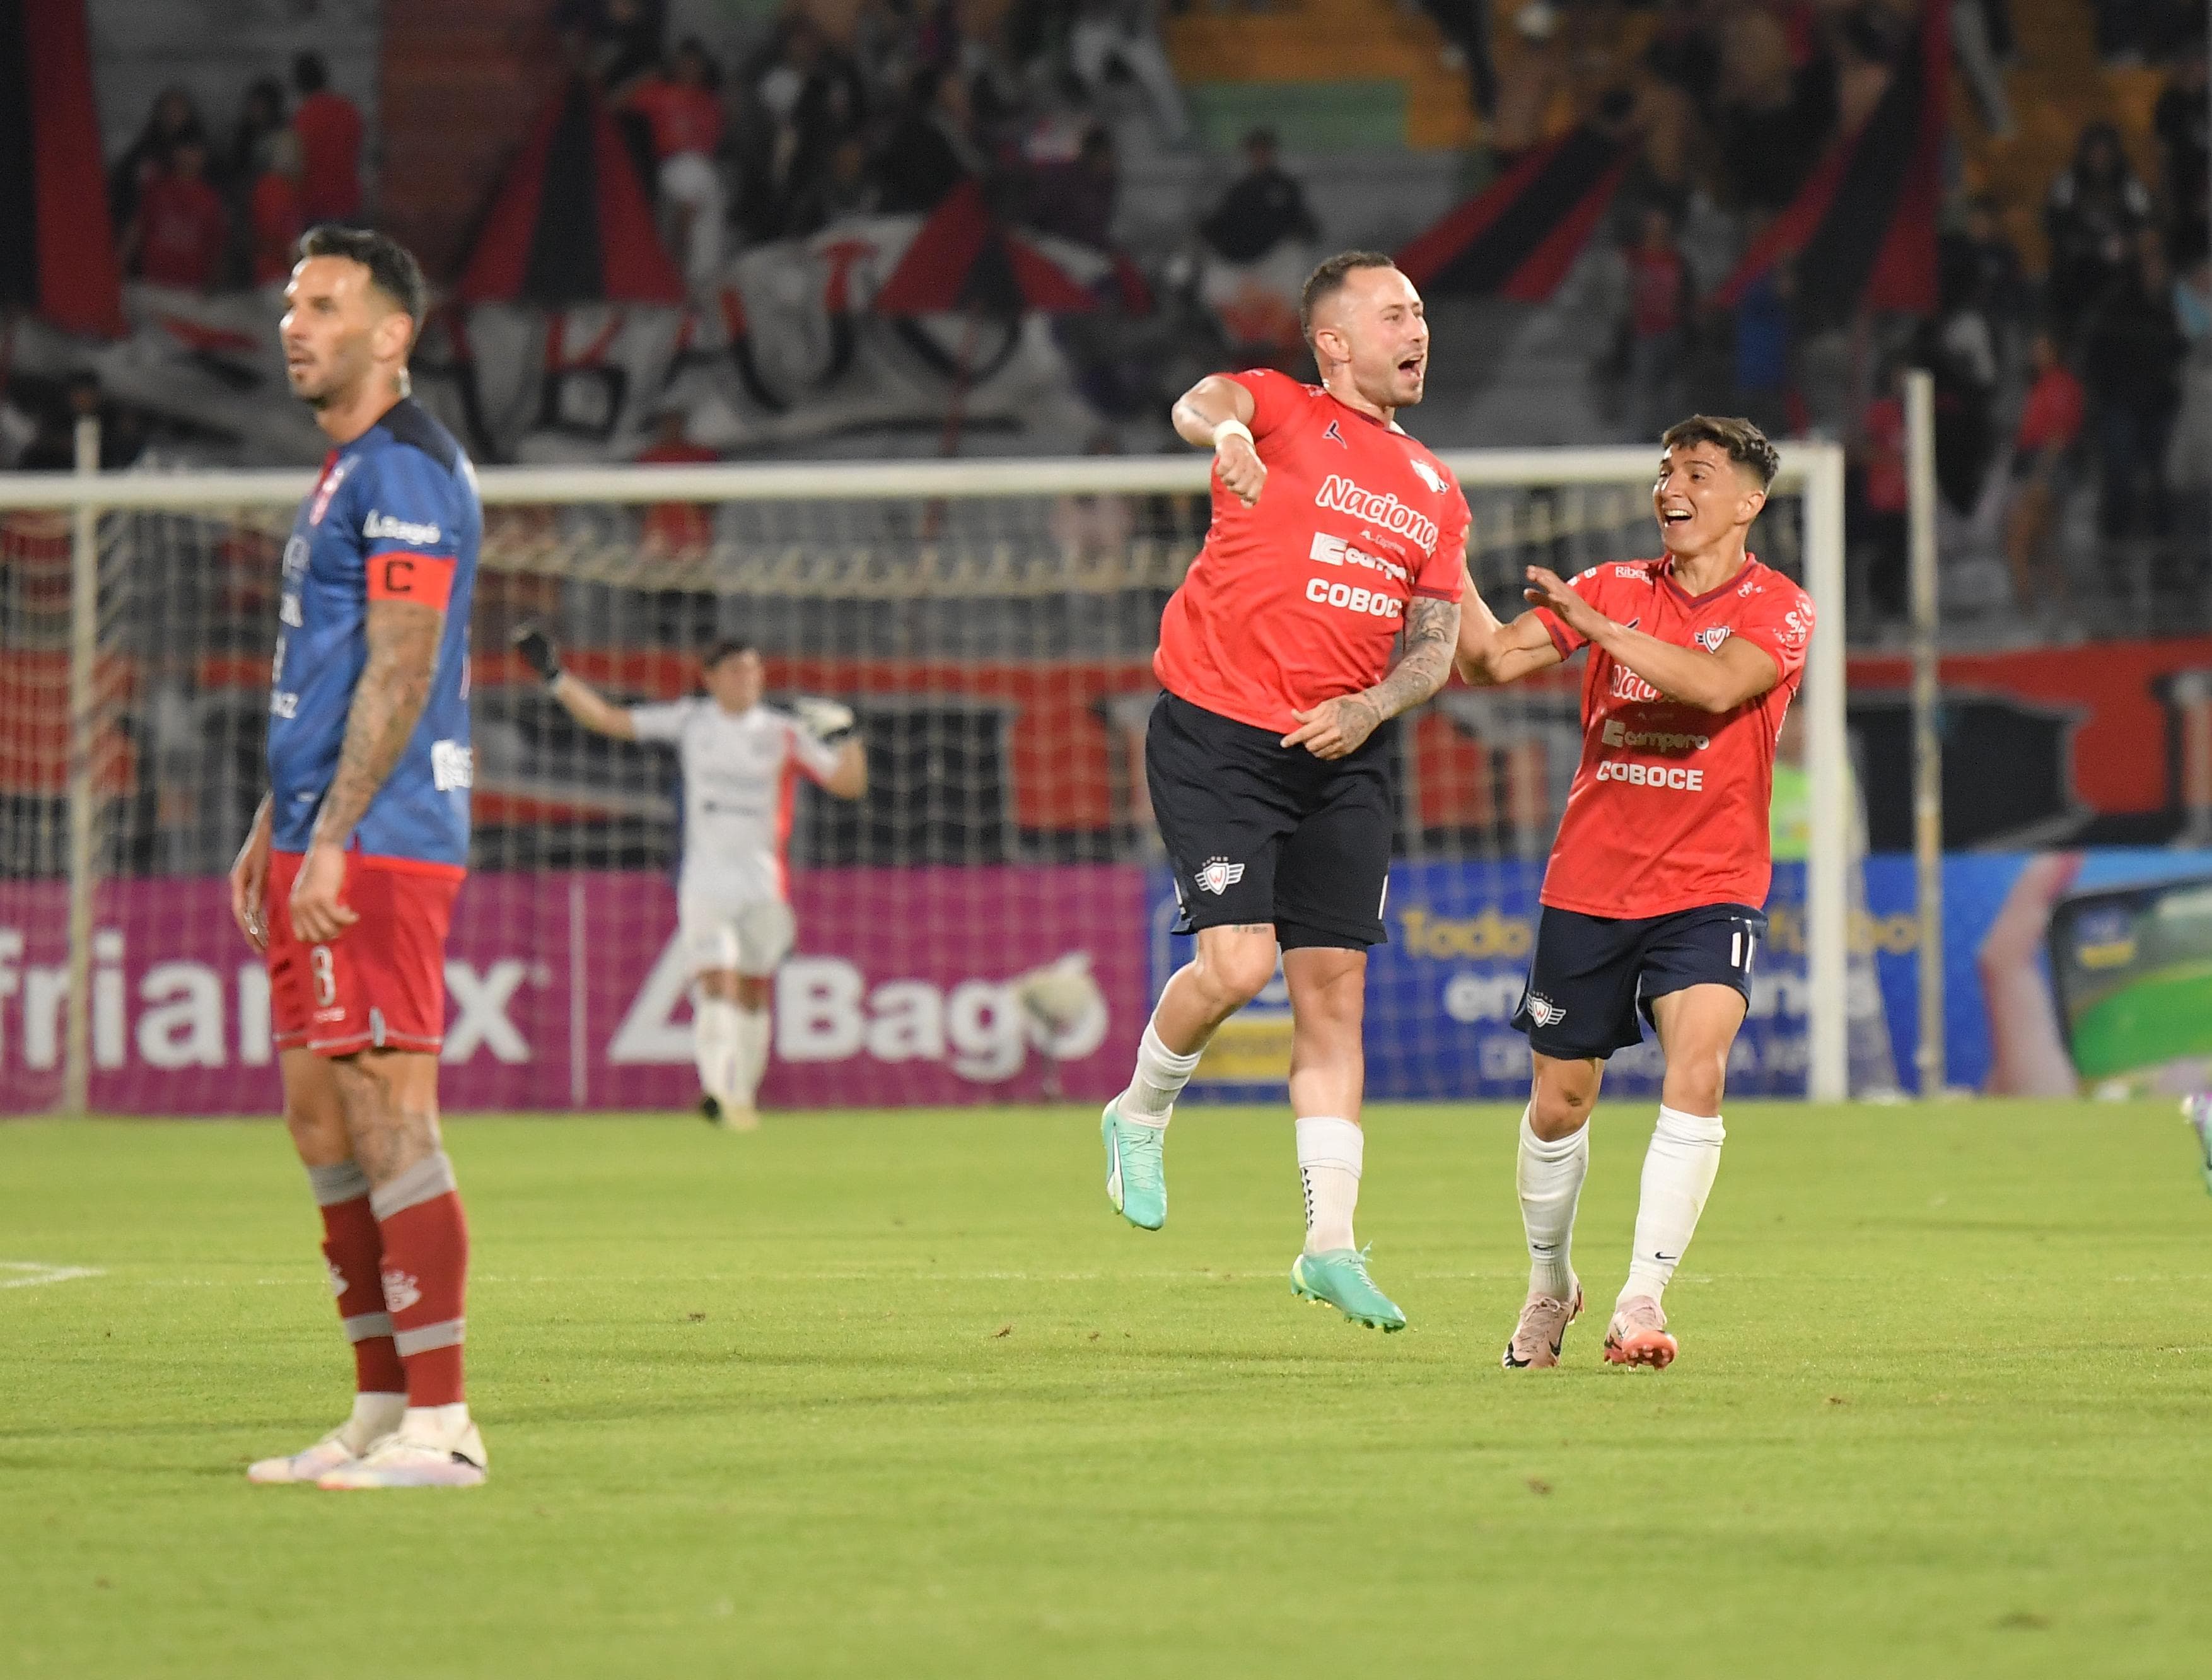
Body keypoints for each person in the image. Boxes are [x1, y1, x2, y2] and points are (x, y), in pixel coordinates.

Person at [1097, 252, 1466, 1332]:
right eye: (1395, 312)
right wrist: (1223, 437)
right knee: (1238, 962)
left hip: (1342, 750)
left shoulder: (1436, 489)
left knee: (1334, 990)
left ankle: (1328, 1243)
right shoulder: (1276, 409)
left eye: (1422, 312)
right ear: (1334, 340)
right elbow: (1198, 397)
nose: (1418, 329)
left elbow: (1435, 640)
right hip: (1218, 732)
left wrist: (1373, 705)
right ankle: (1138, 1108)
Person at [1453, 414, 1813, 1371]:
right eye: (1665, 471)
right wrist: (1436, 559)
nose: (1672, 488)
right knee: (1562, 1102)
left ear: (1749, 500)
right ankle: (1549, 1288)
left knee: (1699, 1070)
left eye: (1697, 471)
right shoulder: (1612, 587)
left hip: (1711, 887)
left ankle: (1641, 1298)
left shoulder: (1780, 607)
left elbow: (1708, 685)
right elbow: (1489, 660)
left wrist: (1599, 630)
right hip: (1593, 884)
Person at [227, 227, 488, 1487]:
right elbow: (325, 676)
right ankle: (379, 1407)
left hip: (382, 840)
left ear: (393, 333)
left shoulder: (407, 471)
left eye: (324, 305)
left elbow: (402, 662)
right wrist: (274, 825)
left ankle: (444, 1425)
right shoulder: (341, 474)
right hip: (321, 830)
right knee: (319, 1115)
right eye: (291, 303)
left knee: (389, 1106)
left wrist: (329, 836)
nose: (295, 323)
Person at [515, 636, 867, 1129]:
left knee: (753, 990)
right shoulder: (691, 720)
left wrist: (848, 735)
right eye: (736, 670)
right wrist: (556, 677)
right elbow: (609, 719)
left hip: (764, 884)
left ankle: (743, 1093)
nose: (748, 679)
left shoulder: (783, 732)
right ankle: (718, 1090)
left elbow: (849, 784)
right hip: (705, 880)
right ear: (712, 678)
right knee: (714, 981)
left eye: (754, 670)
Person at [624, 38, 727, 288]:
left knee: (707, 205)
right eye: (685, 63)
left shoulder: (711, 101)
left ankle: (700, 279)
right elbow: (618, 104)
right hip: (672, 164)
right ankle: (678, 269)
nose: (691, 69)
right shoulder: (657, 94)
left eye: (696, 64)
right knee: (690, 185)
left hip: (705, 168)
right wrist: (643, 80)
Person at [1199, 129, 1321, 267]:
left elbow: (1298, 220)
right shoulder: (1239, 189)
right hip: (1239, 258)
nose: (1259, 156)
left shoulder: (1285, 187)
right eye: (1255, 151)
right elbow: (1223, 221)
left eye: (1263, 151)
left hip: (1276, 258)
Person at [127, 136, 230, 291]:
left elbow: (216, 244)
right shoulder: (158, 189)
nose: (189, 157)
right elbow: (137, 228)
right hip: (154, 281)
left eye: (195, 152)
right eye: (185, 151)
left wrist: (214, 284)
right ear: (176, 153)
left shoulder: (210, 199)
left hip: (191, 287)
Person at [291, 53, 365, 226]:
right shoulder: (348, 110)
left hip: (316, 205)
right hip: (349, 203)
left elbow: (297, 166)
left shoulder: (303, 118)